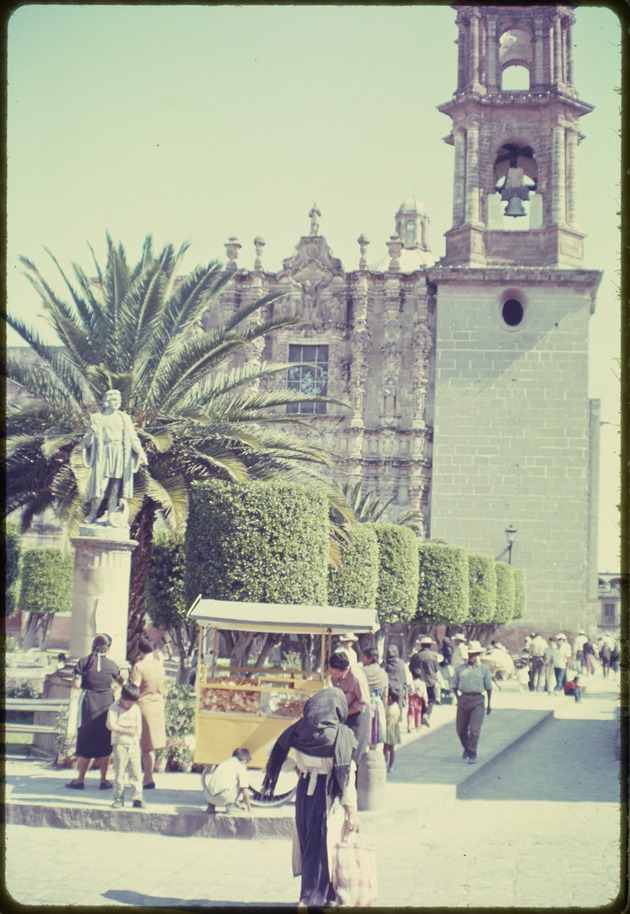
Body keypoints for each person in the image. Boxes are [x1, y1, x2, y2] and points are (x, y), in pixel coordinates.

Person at [263, 689, 358, 908]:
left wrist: (297, 766)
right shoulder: (341, 735)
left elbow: (272, 751)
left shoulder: (298, 729)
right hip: (328, 792)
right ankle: (312, 898)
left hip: (305, 791)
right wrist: (351, 810)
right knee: (325, 845)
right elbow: (346, 773)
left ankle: (319, 895)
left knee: (309, 843)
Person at [66, 633, 123, 790]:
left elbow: (76, 685)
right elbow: (122, 681)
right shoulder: (112, 665)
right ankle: (103, 781)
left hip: (88, 704)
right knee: (104, 742)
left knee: (85, 741)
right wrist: (112, 688)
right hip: (106, 705)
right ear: (108, 648)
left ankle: (80, 780)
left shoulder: (83, 663)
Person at [82, 388, 147, 523]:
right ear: (107, 401)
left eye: (119, 400)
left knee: (115, 488)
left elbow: (133, 437)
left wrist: (141, 452)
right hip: (103, 454)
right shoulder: (97, 418)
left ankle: (111, 516)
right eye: (114, 399)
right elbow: (87, 443)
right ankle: (93, 513)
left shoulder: (124, 418)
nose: (117, 402)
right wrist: (90, 434)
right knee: (101, 486)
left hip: (119, 454)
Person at [130, 633, 166, 789]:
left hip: (143, 706)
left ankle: (147, 778)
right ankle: (148, 777)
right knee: (150, 745)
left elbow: (134, 688)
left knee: (144, 746)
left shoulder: (139, 666)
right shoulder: (160, 666)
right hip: (158, 705)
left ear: (140, 650)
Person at [451, 640, 492, 764]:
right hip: (463, 699)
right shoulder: (460, 669)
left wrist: (489, 704)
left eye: (474, 654)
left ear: (478, 654)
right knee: (461, 730)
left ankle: (472, 752)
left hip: (478, 701)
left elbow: (489, 687)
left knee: (474, 730)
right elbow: (454, 685)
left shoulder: (484, 669)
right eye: (469, 654)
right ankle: (467, 748)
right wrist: (458, 699)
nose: (471, 657)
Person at [106, 681, 145, 809]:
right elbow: (111, 725)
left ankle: (137, 798)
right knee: (119, 773)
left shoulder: (136, 709)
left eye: (132, 703)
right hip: (120, 744)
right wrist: (128, 730)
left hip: (133, 744)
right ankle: (118, 798)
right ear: (122, 698)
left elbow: (138, 729)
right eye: (128, 703)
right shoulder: (114, 707)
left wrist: (135, 736)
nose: (130, 705)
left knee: (136, 773)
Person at [327, 651, 370, 765]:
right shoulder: (333, 672)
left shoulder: (357, 677)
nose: (332, 675)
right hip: (344, 713)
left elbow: (363, 704)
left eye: (335, 674)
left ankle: (356, 780)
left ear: (344, 670)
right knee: (341, 749)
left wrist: (344, 713)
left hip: (358, 715)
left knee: (355, 752)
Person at [204, 748, 252, 814]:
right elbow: (244, 791)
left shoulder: (223, 764)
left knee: (220, 783)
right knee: (241, 784)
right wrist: (249, 808)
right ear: (244, 761)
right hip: (223, 798)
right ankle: (231, 807)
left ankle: (211, 807)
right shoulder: (240, 767)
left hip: (208, 796)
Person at [408, 635, 440, 725]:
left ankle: (420, 716)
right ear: (430, 645)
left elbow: (411, 668)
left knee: (420, 699)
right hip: (430, 682)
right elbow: (437, 669)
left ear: (421, 645)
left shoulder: (416, 656)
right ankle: (426, 714)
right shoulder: (434, 656)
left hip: (418, 681)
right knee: (431, 700)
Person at [360, 647, 388, 748]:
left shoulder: (362, 672)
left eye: (363, 657)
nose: (361, 659)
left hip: (364, 705)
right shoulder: (383, 673)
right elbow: (385, 695)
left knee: (364, 735)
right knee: (375, 735)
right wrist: (384, 711)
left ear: (370, 658)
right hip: (378, 706)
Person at [383, 645, 408, 715]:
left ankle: (387, 721)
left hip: (388, 687)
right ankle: (398, 722)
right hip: (399, 687)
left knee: (386, 705)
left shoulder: (385, 662)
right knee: (399, 705)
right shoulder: (401, 662)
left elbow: (381, 674)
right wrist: (405, 689)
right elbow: (403, 676)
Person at [383, 690, 401, 772]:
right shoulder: (396, 706)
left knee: (386, 748)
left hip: (389, 728)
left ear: (390, 698)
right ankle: (390, 766)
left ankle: (385, 764)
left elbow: (388, 719)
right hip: (395, 728)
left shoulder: (391, 708)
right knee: (392, 748)